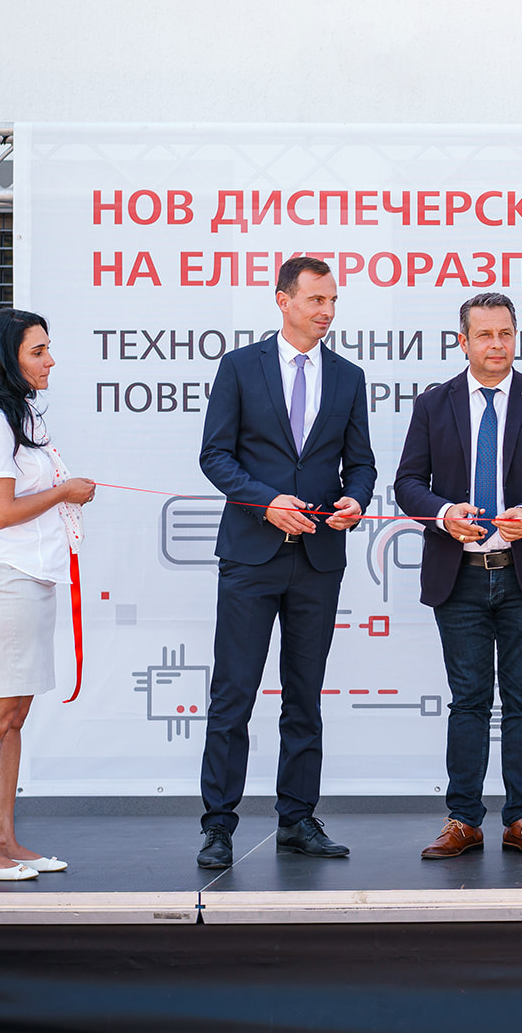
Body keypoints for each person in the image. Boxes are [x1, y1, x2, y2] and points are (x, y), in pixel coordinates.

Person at [195, 256, 376, 869]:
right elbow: (215, 456)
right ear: (283, 300)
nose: (327, 311)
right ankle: (218, 825)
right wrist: (266, 503)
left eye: (333, 300)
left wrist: (355, 499)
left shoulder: (348, 376)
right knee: (233, 695)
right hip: (252, 555)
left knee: (304, 697)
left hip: (319, 559)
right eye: (316, 299)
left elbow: (361, 463)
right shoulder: (239, 367)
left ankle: (297, 819)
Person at [395, 292, 522, 859]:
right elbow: (408, 483)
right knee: (468, 700)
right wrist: (443, 514)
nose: (497, 344)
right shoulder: (434, 404)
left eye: (505, 333)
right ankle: (463, 820)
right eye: (485, 335)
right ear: (463, 341)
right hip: (460, 576)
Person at [0, 309, 96, 881]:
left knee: (13, 714)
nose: (50, 360)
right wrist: (64, 491)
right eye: (38, 351)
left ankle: (2, 839)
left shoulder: (18, 417)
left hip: (27, 578)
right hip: (4, 578)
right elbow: (2, 512)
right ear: (7, 358)